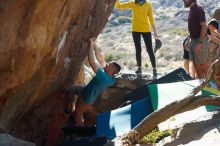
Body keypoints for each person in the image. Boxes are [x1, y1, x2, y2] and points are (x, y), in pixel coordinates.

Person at [65, 38, 121, 126]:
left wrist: (91, 46)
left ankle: (79, 131)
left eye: (109, 64)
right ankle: (69, 107)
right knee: (70, 89)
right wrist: (94, 45)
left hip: (86, 98)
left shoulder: (104, 77)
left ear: (112, 69)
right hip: (85, 90)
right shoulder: (111, 76)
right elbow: (101, 59)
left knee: (78, 114)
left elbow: (92, 62)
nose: (107, 64)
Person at [115, 0, 159, 79]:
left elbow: (151, 17)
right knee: (138, 49)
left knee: (150, 50)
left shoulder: (148, 4)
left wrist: (155, 30)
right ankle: (139, 68)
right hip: (135, 30)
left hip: (146, 30)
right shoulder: (132, 3)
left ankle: (154, 69)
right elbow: (119, 6)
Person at [182, 0, 208, 79]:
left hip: (199, 40)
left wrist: (200, 43)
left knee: (202, 65)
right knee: (196, 66)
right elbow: (194, 27)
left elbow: (204, 26)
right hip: (193, 40)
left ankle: (214, 87)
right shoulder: (192, 10)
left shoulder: (198, 9)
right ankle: (202, 86)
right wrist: (189, 39)